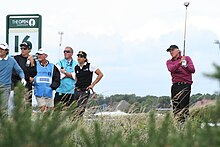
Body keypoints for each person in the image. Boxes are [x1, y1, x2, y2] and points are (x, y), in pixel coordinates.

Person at [166, 45, 195, 124]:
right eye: (170, 51)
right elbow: (171, 69)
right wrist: (179, 63)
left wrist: (185, 65)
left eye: (172, 50)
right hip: (175, 86)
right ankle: (177, 125)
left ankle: (185, 126)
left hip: (185, 85)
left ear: (178, 51)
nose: (171, 52)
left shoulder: (187, 58)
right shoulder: (169, 61)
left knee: (184, 107)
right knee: (176, 108)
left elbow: (192, 70)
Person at [73, 51, 103, 117]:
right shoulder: (76, 67)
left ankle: (79, 123)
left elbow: (100, 74)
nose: (79, 58)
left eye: (81, 57)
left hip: (84, 90)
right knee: (74, 110)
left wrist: (92, 84)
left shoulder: (90, 66)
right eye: (78, 56)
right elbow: (76, 77)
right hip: (77, 90)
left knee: (81, 110)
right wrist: (76, 84)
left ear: (84, 58)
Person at [0, 43, 26, 114]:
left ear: (6, 51)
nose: (0, 51)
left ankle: (3, 123)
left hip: (5, 87)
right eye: (0, 49)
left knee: (3, 107)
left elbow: (19, 71)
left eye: (2, 49)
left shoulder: (12, 60)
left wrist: (23, 78)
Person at [12, 41, 37, 106]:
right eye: (21, 48)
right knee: (18, 106)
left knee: (27, 106)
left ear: (29, 50)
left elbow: (34, 74)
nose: (22, 50)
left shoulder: (32, 60)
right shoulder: (16, 58)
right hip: (18, 86)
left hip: (28, 87)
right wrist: (27, 77)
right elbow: (14, 73)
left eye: (24, 48)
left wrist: (32, 63)